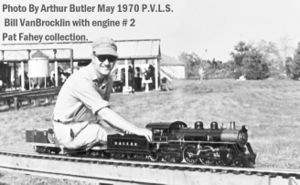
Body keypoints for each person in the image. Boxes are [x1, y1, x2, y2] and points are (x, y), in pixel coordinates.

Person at [52, 37, 152, 150]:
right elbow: (104, 113)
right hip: (67, 130)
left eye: (111, 58)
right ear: (93, 58)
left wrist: (130, 132)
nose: (107, 63)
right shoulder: (81, 79)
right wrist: (136, 130)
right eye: (102, 58)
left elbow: (103, 115)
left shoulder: (108, 79)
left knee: (119, 137)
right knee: (108, 137)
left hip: (87, 126)